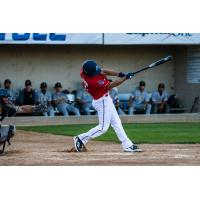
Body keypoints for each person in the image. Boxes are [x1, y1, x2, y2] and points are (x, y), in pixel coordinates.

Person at [73, 60, 142, 152]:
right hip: (102, 102)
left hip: (106, 99)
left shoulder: (84, 71)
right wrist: (125, 78)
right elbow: (111, 85)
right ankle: (81, 138)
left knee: (117, 123)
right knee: (103, 128)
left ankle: (127, 145)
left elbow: (104, 71)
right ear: (88, 72)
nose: (97, 72)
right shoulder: (93, 82)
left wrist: (120, 74)